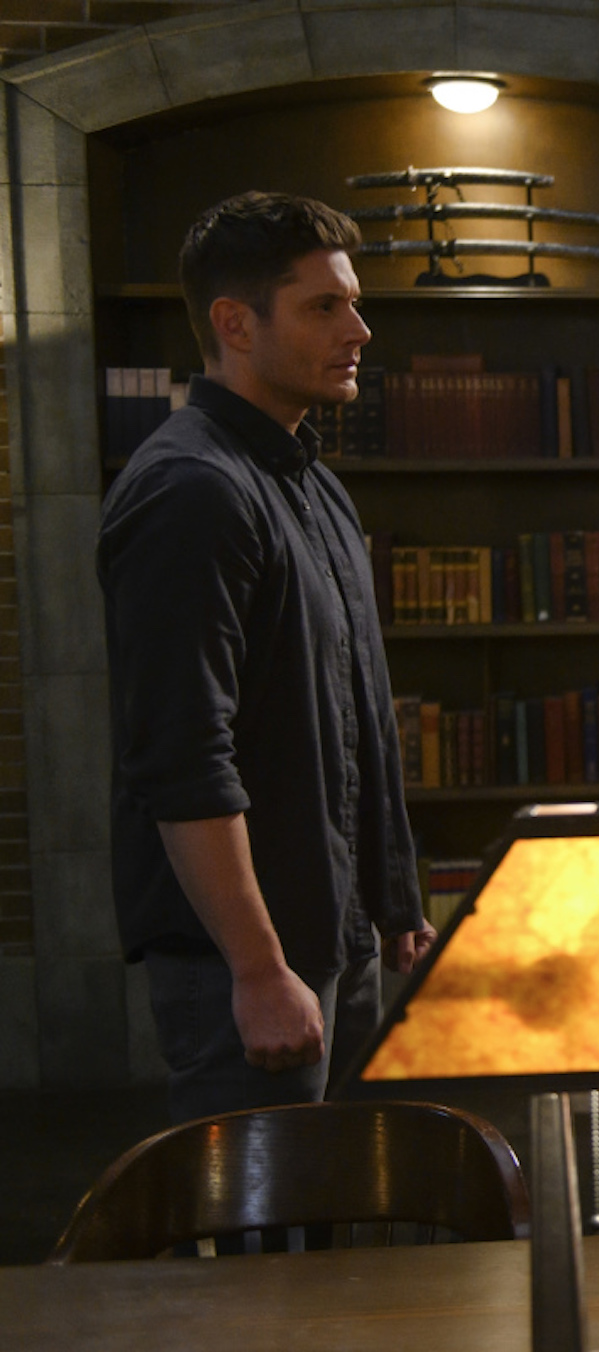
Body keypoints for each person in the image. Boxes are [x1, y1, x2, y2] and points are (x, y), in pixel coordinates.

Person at [99, 192, 432, 1123]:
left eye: (354, 303)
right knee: (266, 1215)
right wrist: (256, 969)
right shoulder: (192, 490)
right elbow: (182, 755)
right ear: (235, 324)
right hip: (247, 962)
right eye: (323, 307)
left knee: (344, 1202)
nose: (359, 331)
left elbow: (355, 708)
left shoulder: (311, 484)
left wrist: (393, 896)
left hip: (338, 933)